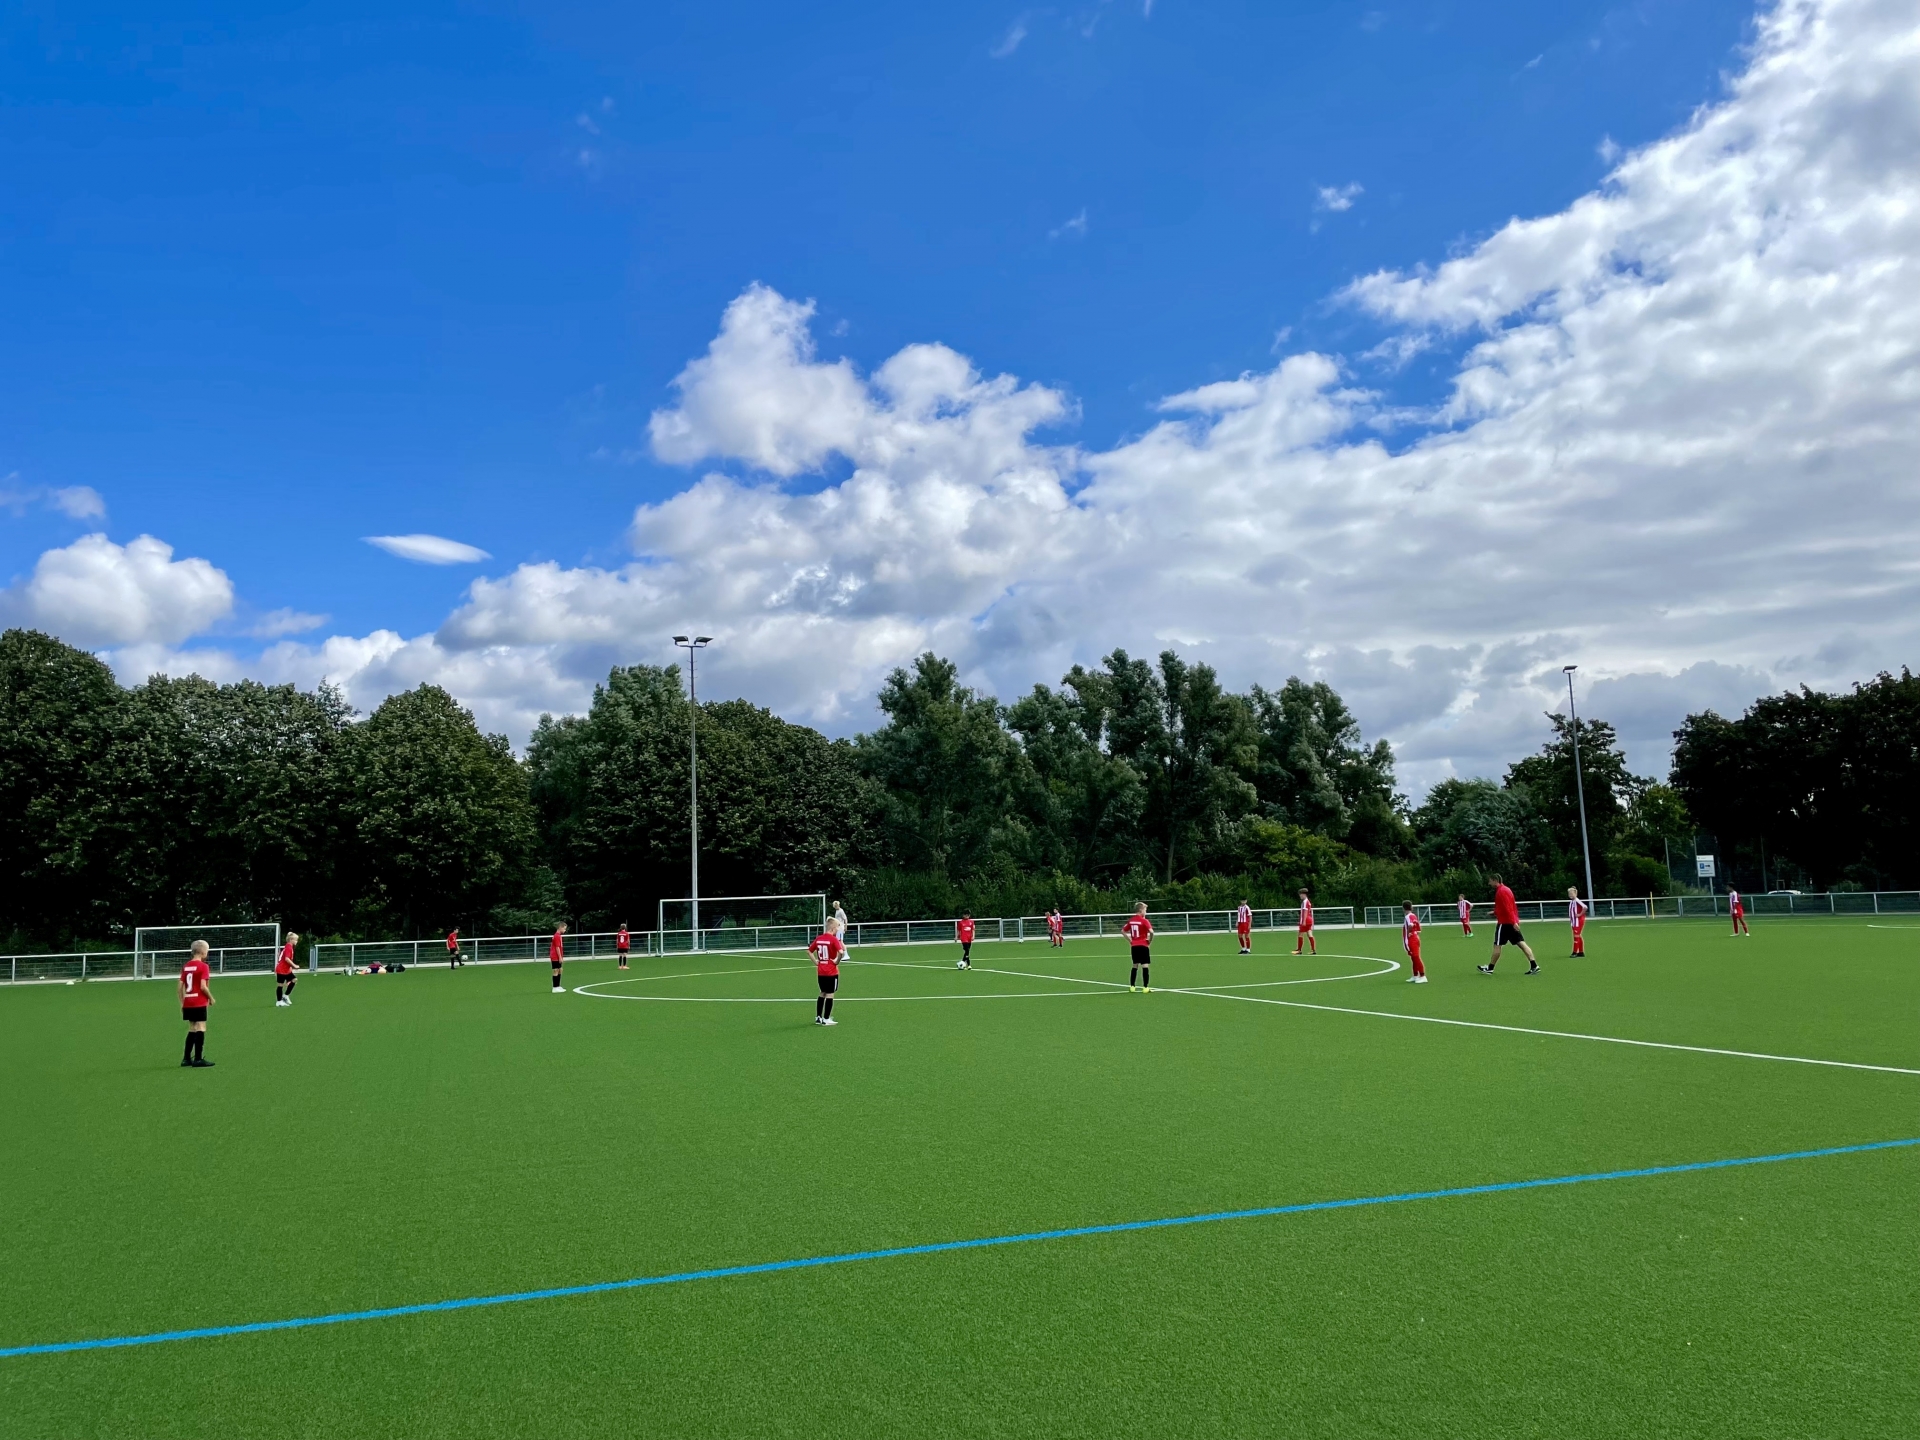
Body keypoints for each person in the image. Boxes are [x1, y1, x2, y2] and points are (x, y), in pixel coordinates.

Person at [1478, 876, 1540, 975]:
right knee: (1521, 943)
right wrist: (1495, 913)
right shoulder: (1506, 889)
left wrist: (1513, 922)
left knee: (1497, 945)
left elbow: (1508, 908)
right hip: (1510, 922)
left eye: (1490, 881)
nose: (1489, 884)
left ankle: (1490, 968)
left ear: (1495, 880)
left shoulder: (1501, 891)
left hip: (1505, 923)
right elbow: (1508, 907)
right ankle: (1534, 965)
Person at [179, 940, 215, 1067]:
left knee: (192, 1028)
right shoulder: (203, 966)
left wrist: (182, 1002)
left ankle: (186, 1058)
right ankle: (198, 1059)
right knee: (201, 1027)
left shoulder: (186, 966)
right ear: (203, 952)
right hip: (199, 1001)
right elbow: (203, 986)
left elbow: (179, 987)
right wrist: (211, 998)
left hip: (188, 1001)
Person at [810, 925, 845, 1026]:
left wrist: (816, 962)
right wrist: (836, 961)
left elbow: (809, 951)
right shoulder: (833, 939)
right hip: (831, 971)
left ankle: (818, 1017)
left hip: (821, 970)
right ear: (832, 928)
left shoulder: (819, 938)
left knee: (822, 992)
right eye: (837, 928)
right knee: (830, 994)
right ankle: (826, 1018)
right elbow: (841, 952)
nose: (837, 930)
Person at [1123, 902, 1154, 992]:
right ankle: (1145, 987)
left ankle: (1132, 986)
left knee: (1135, 965)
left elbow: (1123, 931)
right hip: (1143, 945)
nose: (1146, 912)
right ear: (1141, 910)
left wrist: (1130, 940)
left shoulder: (1131, 920)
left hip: (1134, 946)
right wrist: (1149, 940)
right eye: (1145, 910)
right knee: (1145, 966)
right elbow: (1151, 932)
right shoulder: (1144, 921)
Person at [274, 932, 301, 1007]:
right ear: (291, 939)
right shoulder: (289, 947)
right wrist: (294, 965)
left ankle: (285, 996)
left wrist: (290, 967)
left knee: (294, 980)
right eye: (296, 940)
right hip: (281, 969)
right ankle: (279, 1001)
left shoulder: (288, 946)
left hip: (286, 969)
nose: (296, 941)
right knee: (280, 985)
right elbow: (287, 959)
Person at [1402, 903, 1427, 983]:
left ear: (1404, 908)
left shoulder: (1408, 916)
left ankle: (1423, 976)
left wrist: (1409, 933)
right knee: (1413, 958)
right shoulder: (1413, 916)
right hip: (1415, 938)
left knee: (1416, 957)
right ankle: (1415, 975)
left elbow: (1411, 925)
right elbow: (1419, 929)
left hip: (1412, 939)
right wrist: (1414, 933)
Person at [1293, 890, 1317, 955]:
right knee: (1309, 934)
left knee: (1300, 934)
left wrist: (1303, 921)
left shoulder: (1305, 902)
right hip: (1309, 920)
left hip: (1305, 920)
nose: (1300, 896)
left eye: (1300, 894)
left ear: (1304, 894)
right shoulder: (1307, 901)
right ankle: (1313, 950)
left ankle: (1299, 950)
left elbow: (1305, 911)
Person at [1567, 887, 1589, 957]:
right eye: (1569, 894)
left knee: (1576, 936)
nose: (1570, 895)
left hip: (1578, 921)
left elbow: (1585, 907)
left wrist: (1580, 914)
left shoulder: (1577, 900)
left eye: (1572, 894)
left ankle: (1575, 952)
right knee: (1578, 936)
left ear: (1575, 894)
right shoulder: (1572, 901)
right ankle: (1581, 952)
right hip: (1574, 922)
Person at [549, 922, 568, 994]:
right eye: (564, 929)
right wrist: (560, 957)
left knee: (560, 969)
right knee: (556, 970)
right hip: (555, 956)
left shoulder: (558, 936)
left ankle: (558, 986)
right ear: (560, 928)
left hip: (557, 956)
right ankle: (555, 987)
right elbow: (557, 947)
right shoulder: (557, 936)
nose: (565, 930)